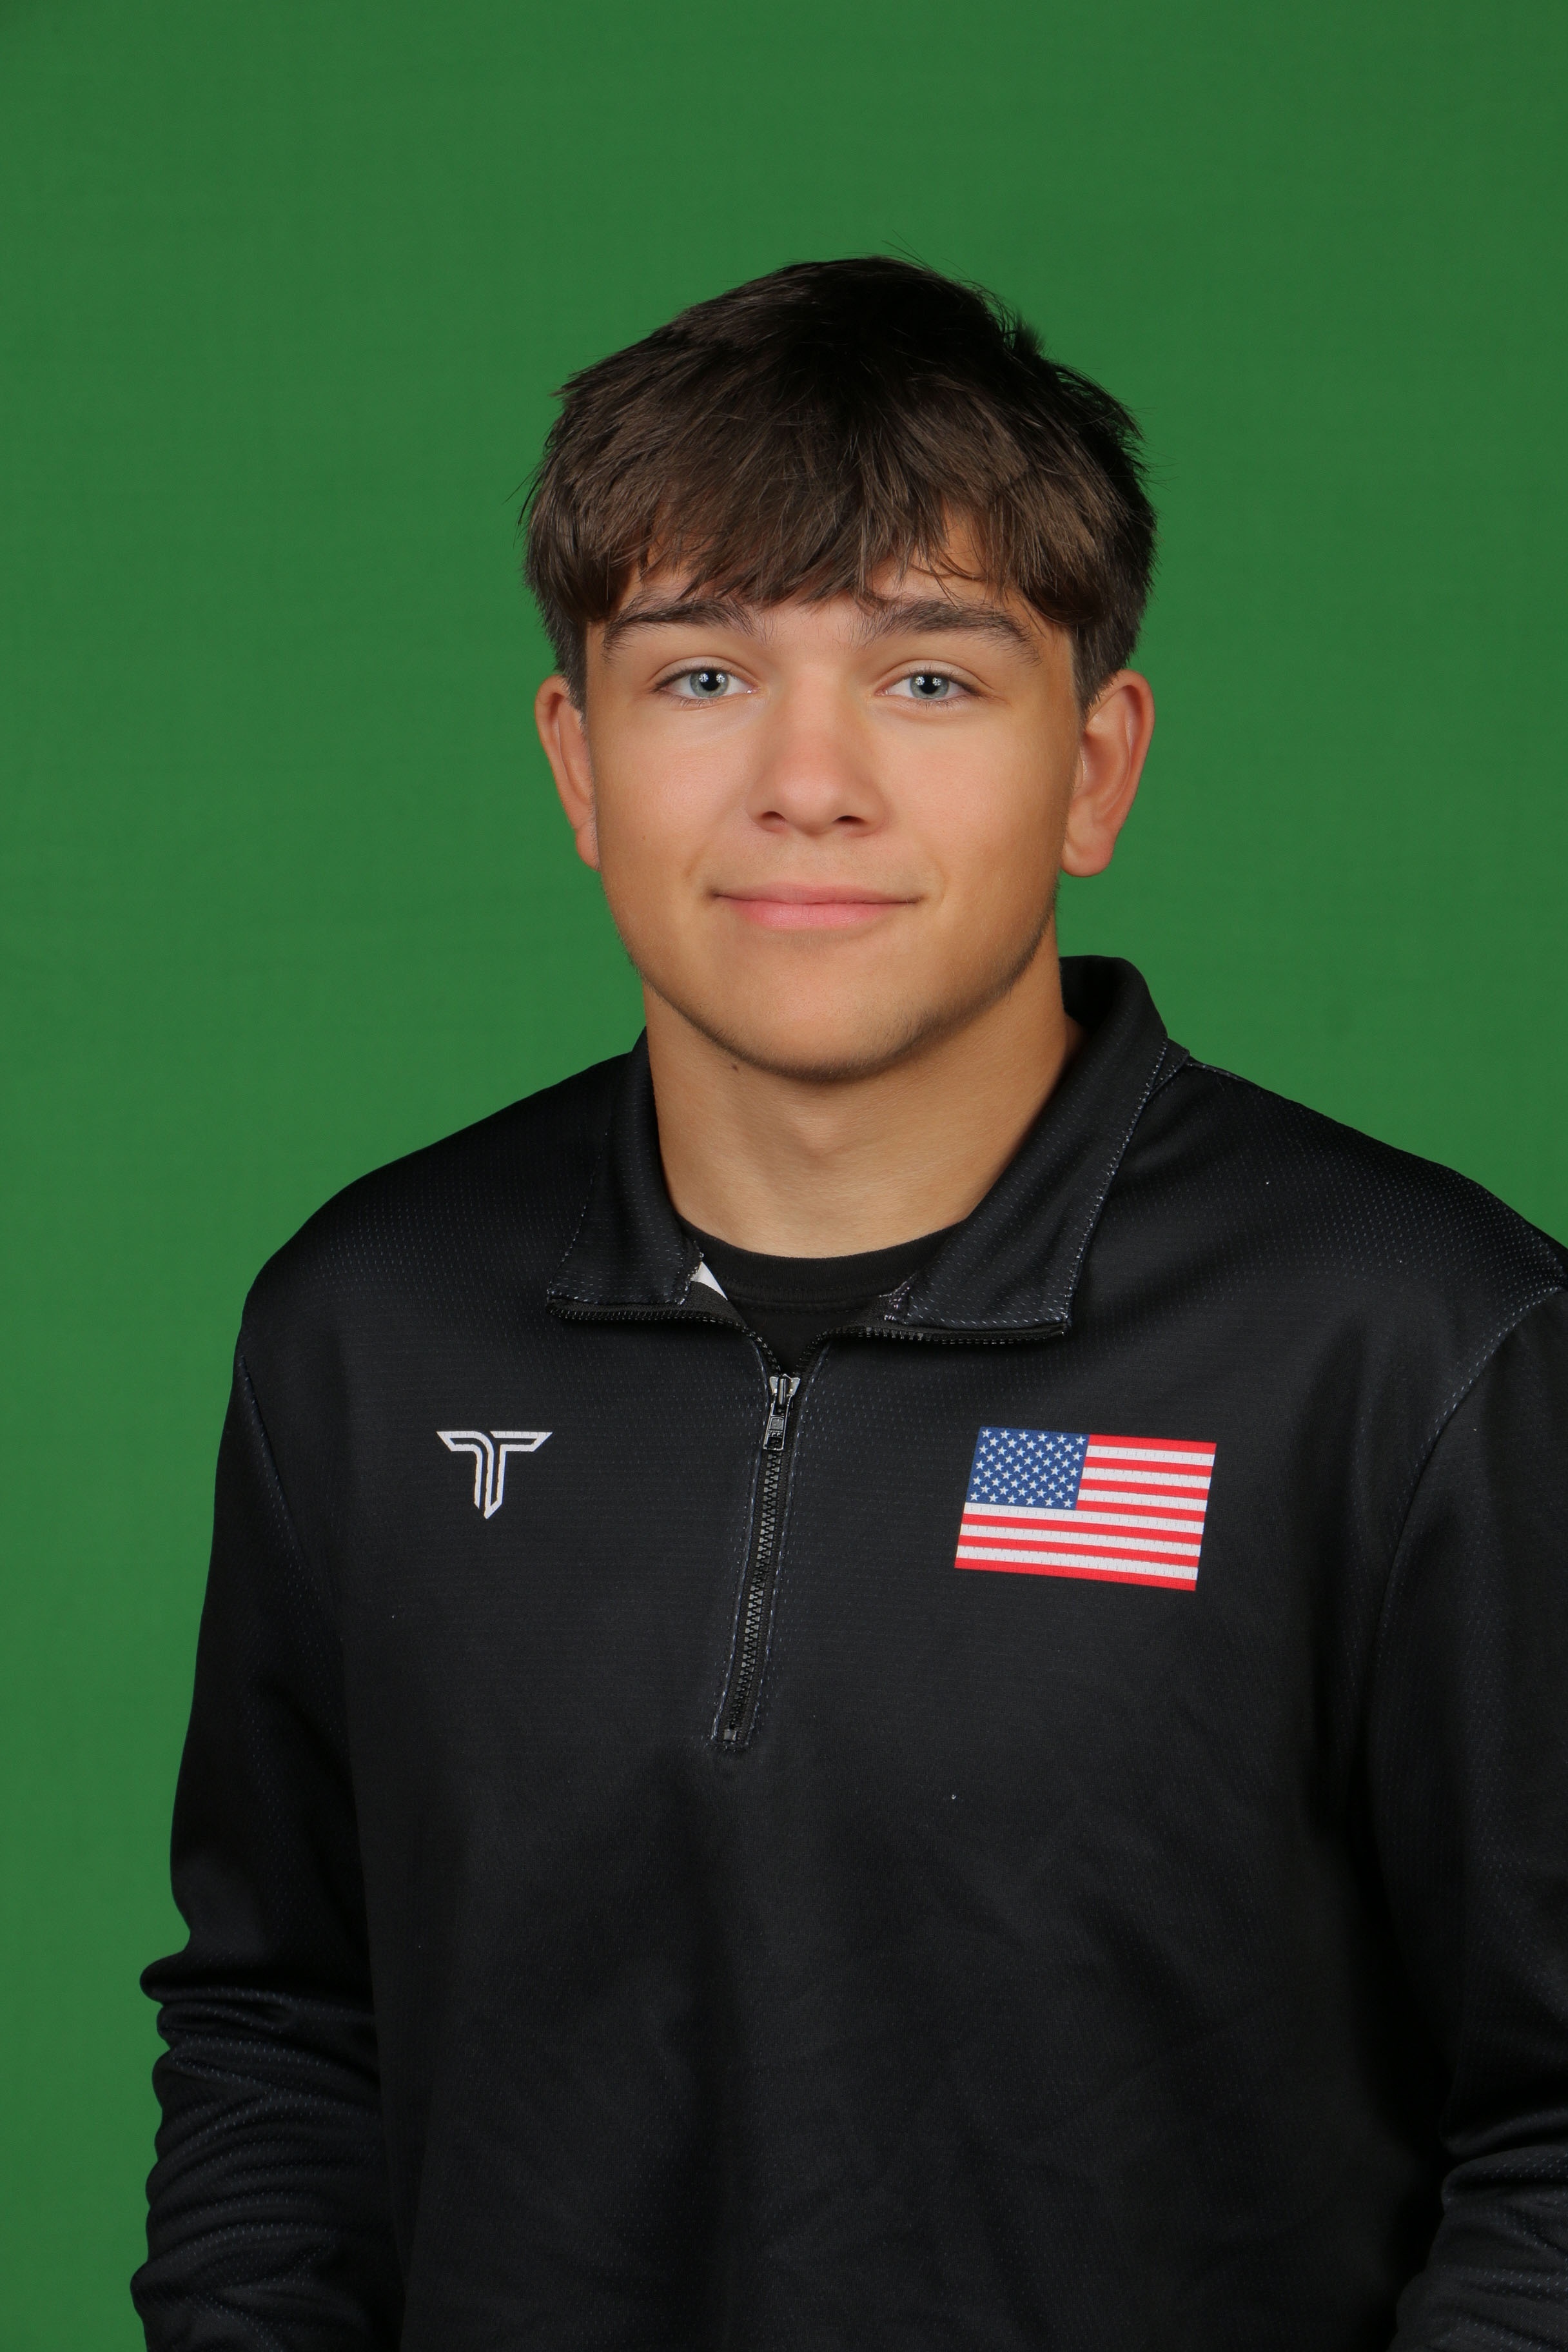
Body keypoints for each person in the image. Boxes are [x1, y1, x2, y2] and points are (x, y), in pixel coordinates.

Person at [134, 258, 1568, 2349]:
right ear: (577, 762)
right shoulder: (369, 1328)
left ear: (1096, 766)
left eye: (930, 678)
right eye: (704, 674)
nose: (809, 781)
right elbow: (283, 2034)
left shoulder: (1414, 1348)